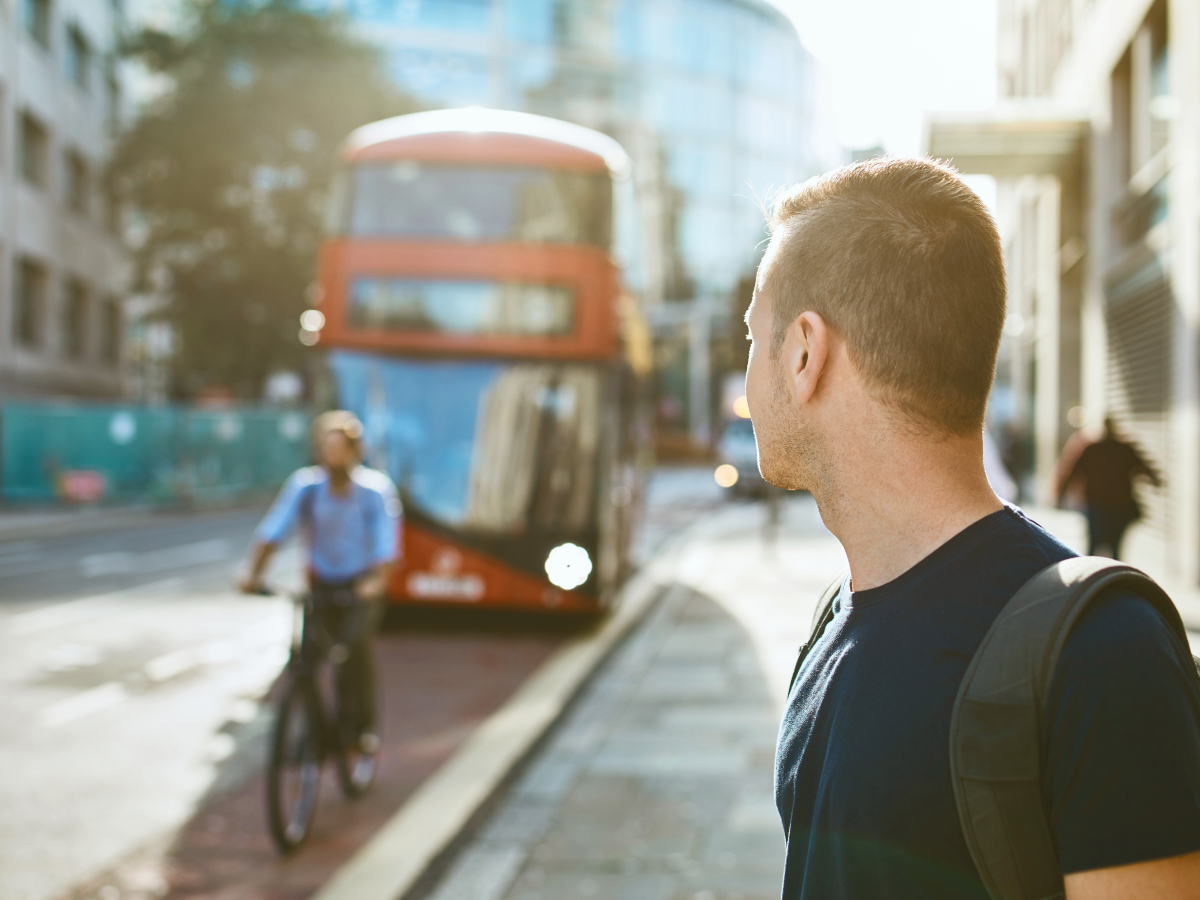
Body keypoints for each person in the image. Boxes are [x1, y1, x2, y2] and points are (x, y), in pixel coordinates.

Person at [745, 158, 1200, 899]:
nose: (748, 378)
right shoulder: (834, 620)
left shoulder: (1103, 652)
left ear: (803, 352)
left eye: (752, 340)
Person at [240, 410, 400, 746]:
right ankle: (318, 733)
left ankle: (361, 730)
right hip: (322, 584)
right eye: (327, 447)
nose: (332, 455)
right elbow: (273, 532)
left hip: (360, 585)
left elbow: (387, 544)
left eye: (340, 447)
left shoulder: (374, 490)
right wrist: (253, 575)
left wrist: (376, 580)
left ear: (355, 451)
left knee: (353, 651)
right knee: (306, 660)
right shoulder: (307, 486)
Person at [1056, 417, 1161, 558]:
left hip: (1110, 506)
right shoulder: (1101, 449)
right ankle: (1106, 576)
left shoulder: (1107, 449)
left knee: (1102, 546)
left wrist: (1060, 495)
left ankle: (1100, 576)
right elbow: (1073, 472)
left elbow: (1072, 472)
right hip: (1105, 506)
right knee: (1105, 547)